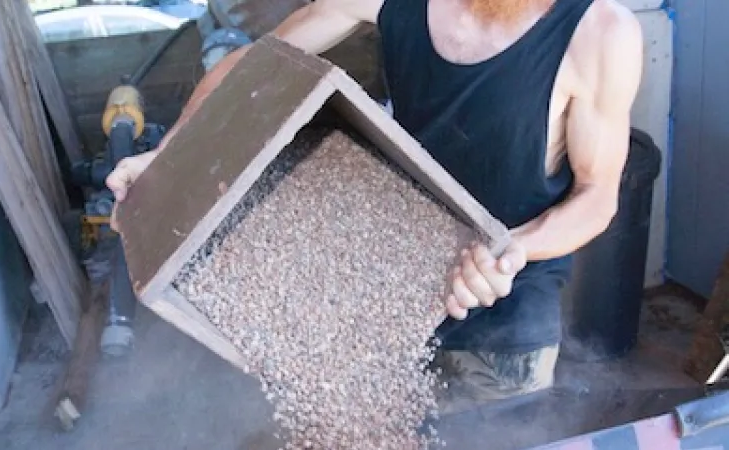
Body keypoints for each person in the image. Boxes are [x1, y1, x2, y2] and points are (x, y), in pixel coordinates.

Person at [107, 0, 643, 410]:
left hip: (505, 325)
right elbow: (258, 61)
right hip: (390, 297)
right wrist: (165, 156)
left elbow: (598, 197)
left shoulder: (600, 34)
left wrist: (512, 252)